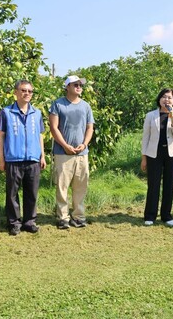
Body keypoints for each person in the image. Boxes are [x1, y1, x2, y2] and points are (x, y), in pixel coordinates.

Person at [0, 80, 47, 235]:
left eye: (30, 91)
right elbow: (1, 137)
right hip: (13, 158)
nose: (27, 94)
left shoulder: (37, 113)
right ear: (16, 92)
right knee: (12, 193)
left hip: (33, 158)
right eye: (23, 90)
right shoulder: (6, 112)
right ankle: (13, 223)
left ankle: (29, 221)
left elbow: (40, 135)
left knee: (31, 192)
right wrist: (1, 158)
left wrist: (42, 156)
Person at [49, 75, 94, 229]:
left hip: (82, 153)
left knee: (81, 185)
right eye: (75, 84)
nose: (79, 87)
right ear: (67, 86)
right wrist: (65, 145)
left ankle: (78, 216)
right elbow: (54, 127)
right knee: (62, 186)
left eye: (80, 84)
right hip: (63, 153)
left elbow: (90, 127)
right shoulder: (58, 104)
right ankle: (62, 217)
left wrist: (84, 144)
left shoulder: (86, 106)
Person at [141, 88, 173, 227]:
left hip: (172, 154)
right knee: (153, 184)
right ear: (159, 99)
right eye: (164, 97)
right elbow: (145, 137)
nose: (167, 100)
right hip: (154, 153)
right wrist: (144, 157)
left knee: (169, 184)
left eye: (170, 98)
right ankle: (150, 215)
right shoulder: (150, 115)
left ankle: (166, 215)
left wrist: (172, 117)